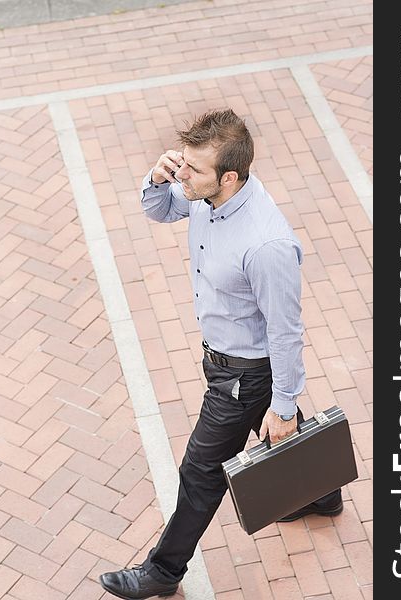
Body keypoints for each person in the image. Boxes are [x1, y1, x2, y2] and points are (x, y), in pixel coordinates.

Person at [99, 108, 342, 599]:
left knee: (200, 472)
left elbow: (286, 332)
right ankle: (322, 495)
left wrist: (284, 403)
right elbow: (159, 208)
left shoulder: (265, 245)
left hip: (244, 376)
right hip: (227, 364)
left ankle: (162, 572)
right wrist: (156, 175)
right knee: (277, 431)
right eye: (181, 162)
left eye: (191, 168)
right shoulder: (205, 194)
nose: (180, 175)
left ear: (228, 176)